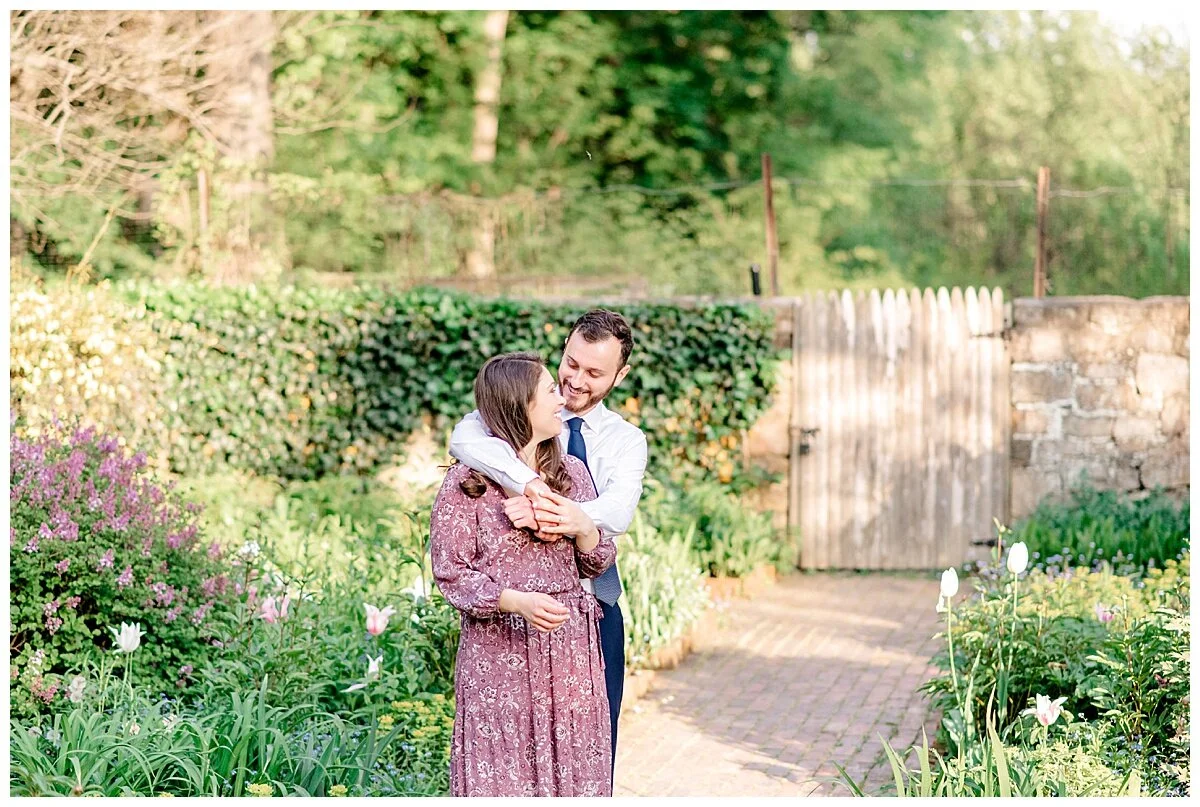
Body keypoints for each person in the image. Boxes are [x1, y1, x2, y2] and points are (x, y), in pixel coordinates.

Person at [448, 309, 648, 783]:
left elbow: (615, 514)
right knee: (510, 758)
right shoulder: (498, 420)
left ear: (620, 375)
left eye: (594, 372)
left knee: (589, 752)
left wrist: (547, 513)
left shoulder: (626, 441)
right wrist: (528, 484)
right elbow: (462, 442)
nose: (575, 381)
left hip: (593, 608)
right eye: (571, 364)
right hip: (509, 622)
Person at [430, 351, 616, 797]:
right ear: (520, 407)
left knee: (576, 770)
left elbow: (598, 561)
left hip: (570, 651)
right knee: (502, 773)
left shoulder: (571, 473)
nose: (562, 398)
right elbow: (450, 571)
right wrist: (515, 601)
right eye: (550, 391)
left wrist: (583, 529)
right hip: (499, 653)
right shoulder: (468, 483)